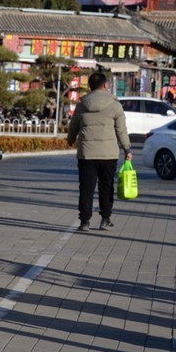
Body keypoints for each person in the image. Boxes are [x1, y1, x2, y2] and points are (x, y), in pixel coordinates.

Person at [66, 72, 131, 232]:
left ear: (90, 86)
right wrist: (126, 148)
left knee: (86, 188)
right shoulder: (115, 105)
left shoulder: (82, 105)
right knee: (106, 187)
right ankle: (105, 220)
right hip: (108, 154)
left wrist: (70, 140)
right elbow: (121, 130)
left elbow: (73, 126)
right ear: (105, 85)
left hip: (86, 154)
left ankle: (84, 222)